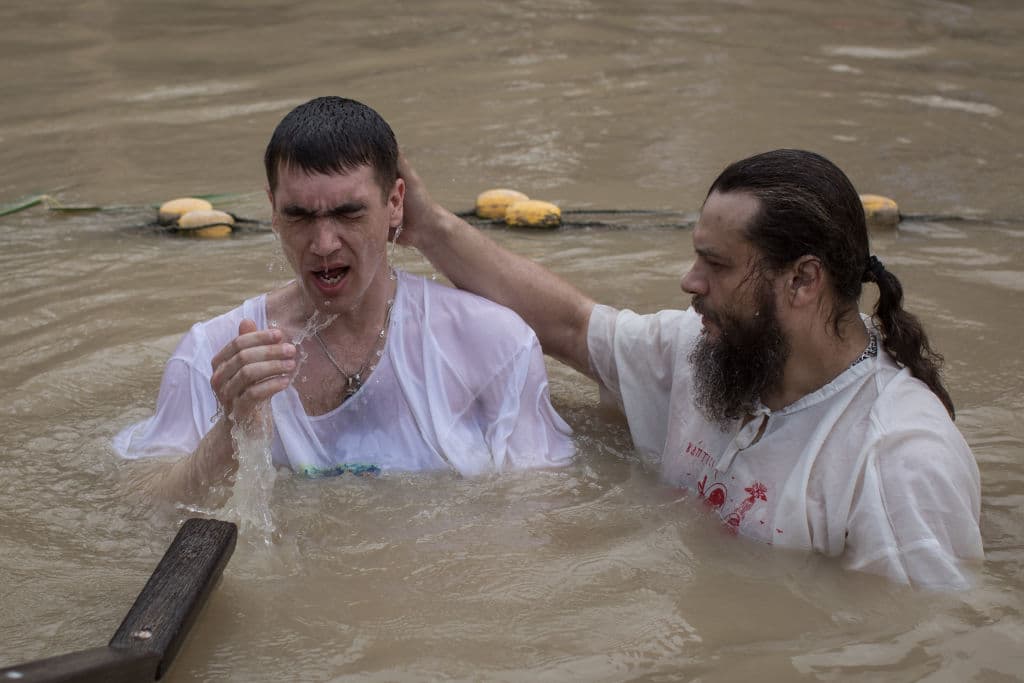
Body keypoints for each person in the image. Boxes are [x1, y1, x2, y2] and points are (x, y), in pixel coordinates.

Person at [396, 148, 984, 589]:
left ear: (803, 280)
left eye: (716, 264)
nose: (689, 282)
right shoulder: (702, 355)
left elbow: (908, 642)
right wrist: (429, 226)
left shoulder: (899, 461)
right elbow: (571, 327)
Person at [114, 96, 573, 500]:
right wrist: (232, 433)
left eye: (348, 212)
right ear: (273, 211)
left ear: (395, 202)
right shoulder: (211, 356)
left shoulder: (491, 342)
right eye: (299, 216)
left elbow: (541, 513)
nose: (324, 243)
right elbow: (139, 511)